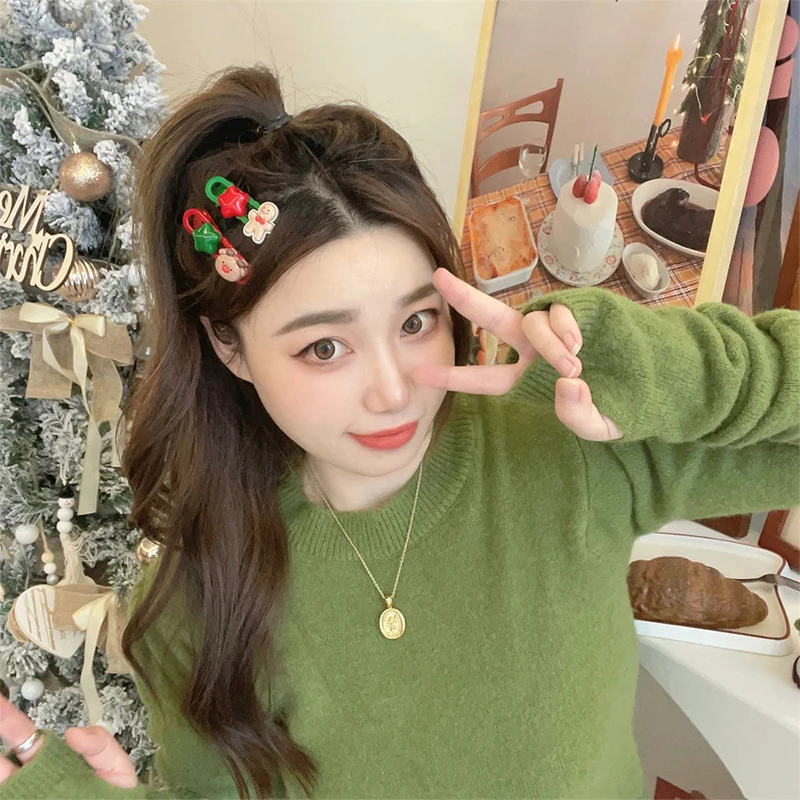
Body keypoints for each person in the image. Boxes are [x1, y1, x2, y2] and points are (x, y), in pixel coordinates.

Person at [0, 64, 798, 800]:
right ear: (230, 348)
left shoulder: (569, 446)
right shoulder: (202, 601)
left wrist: (631, 359)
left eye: (417, 321)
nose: (394, 391)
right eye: (324, 346)